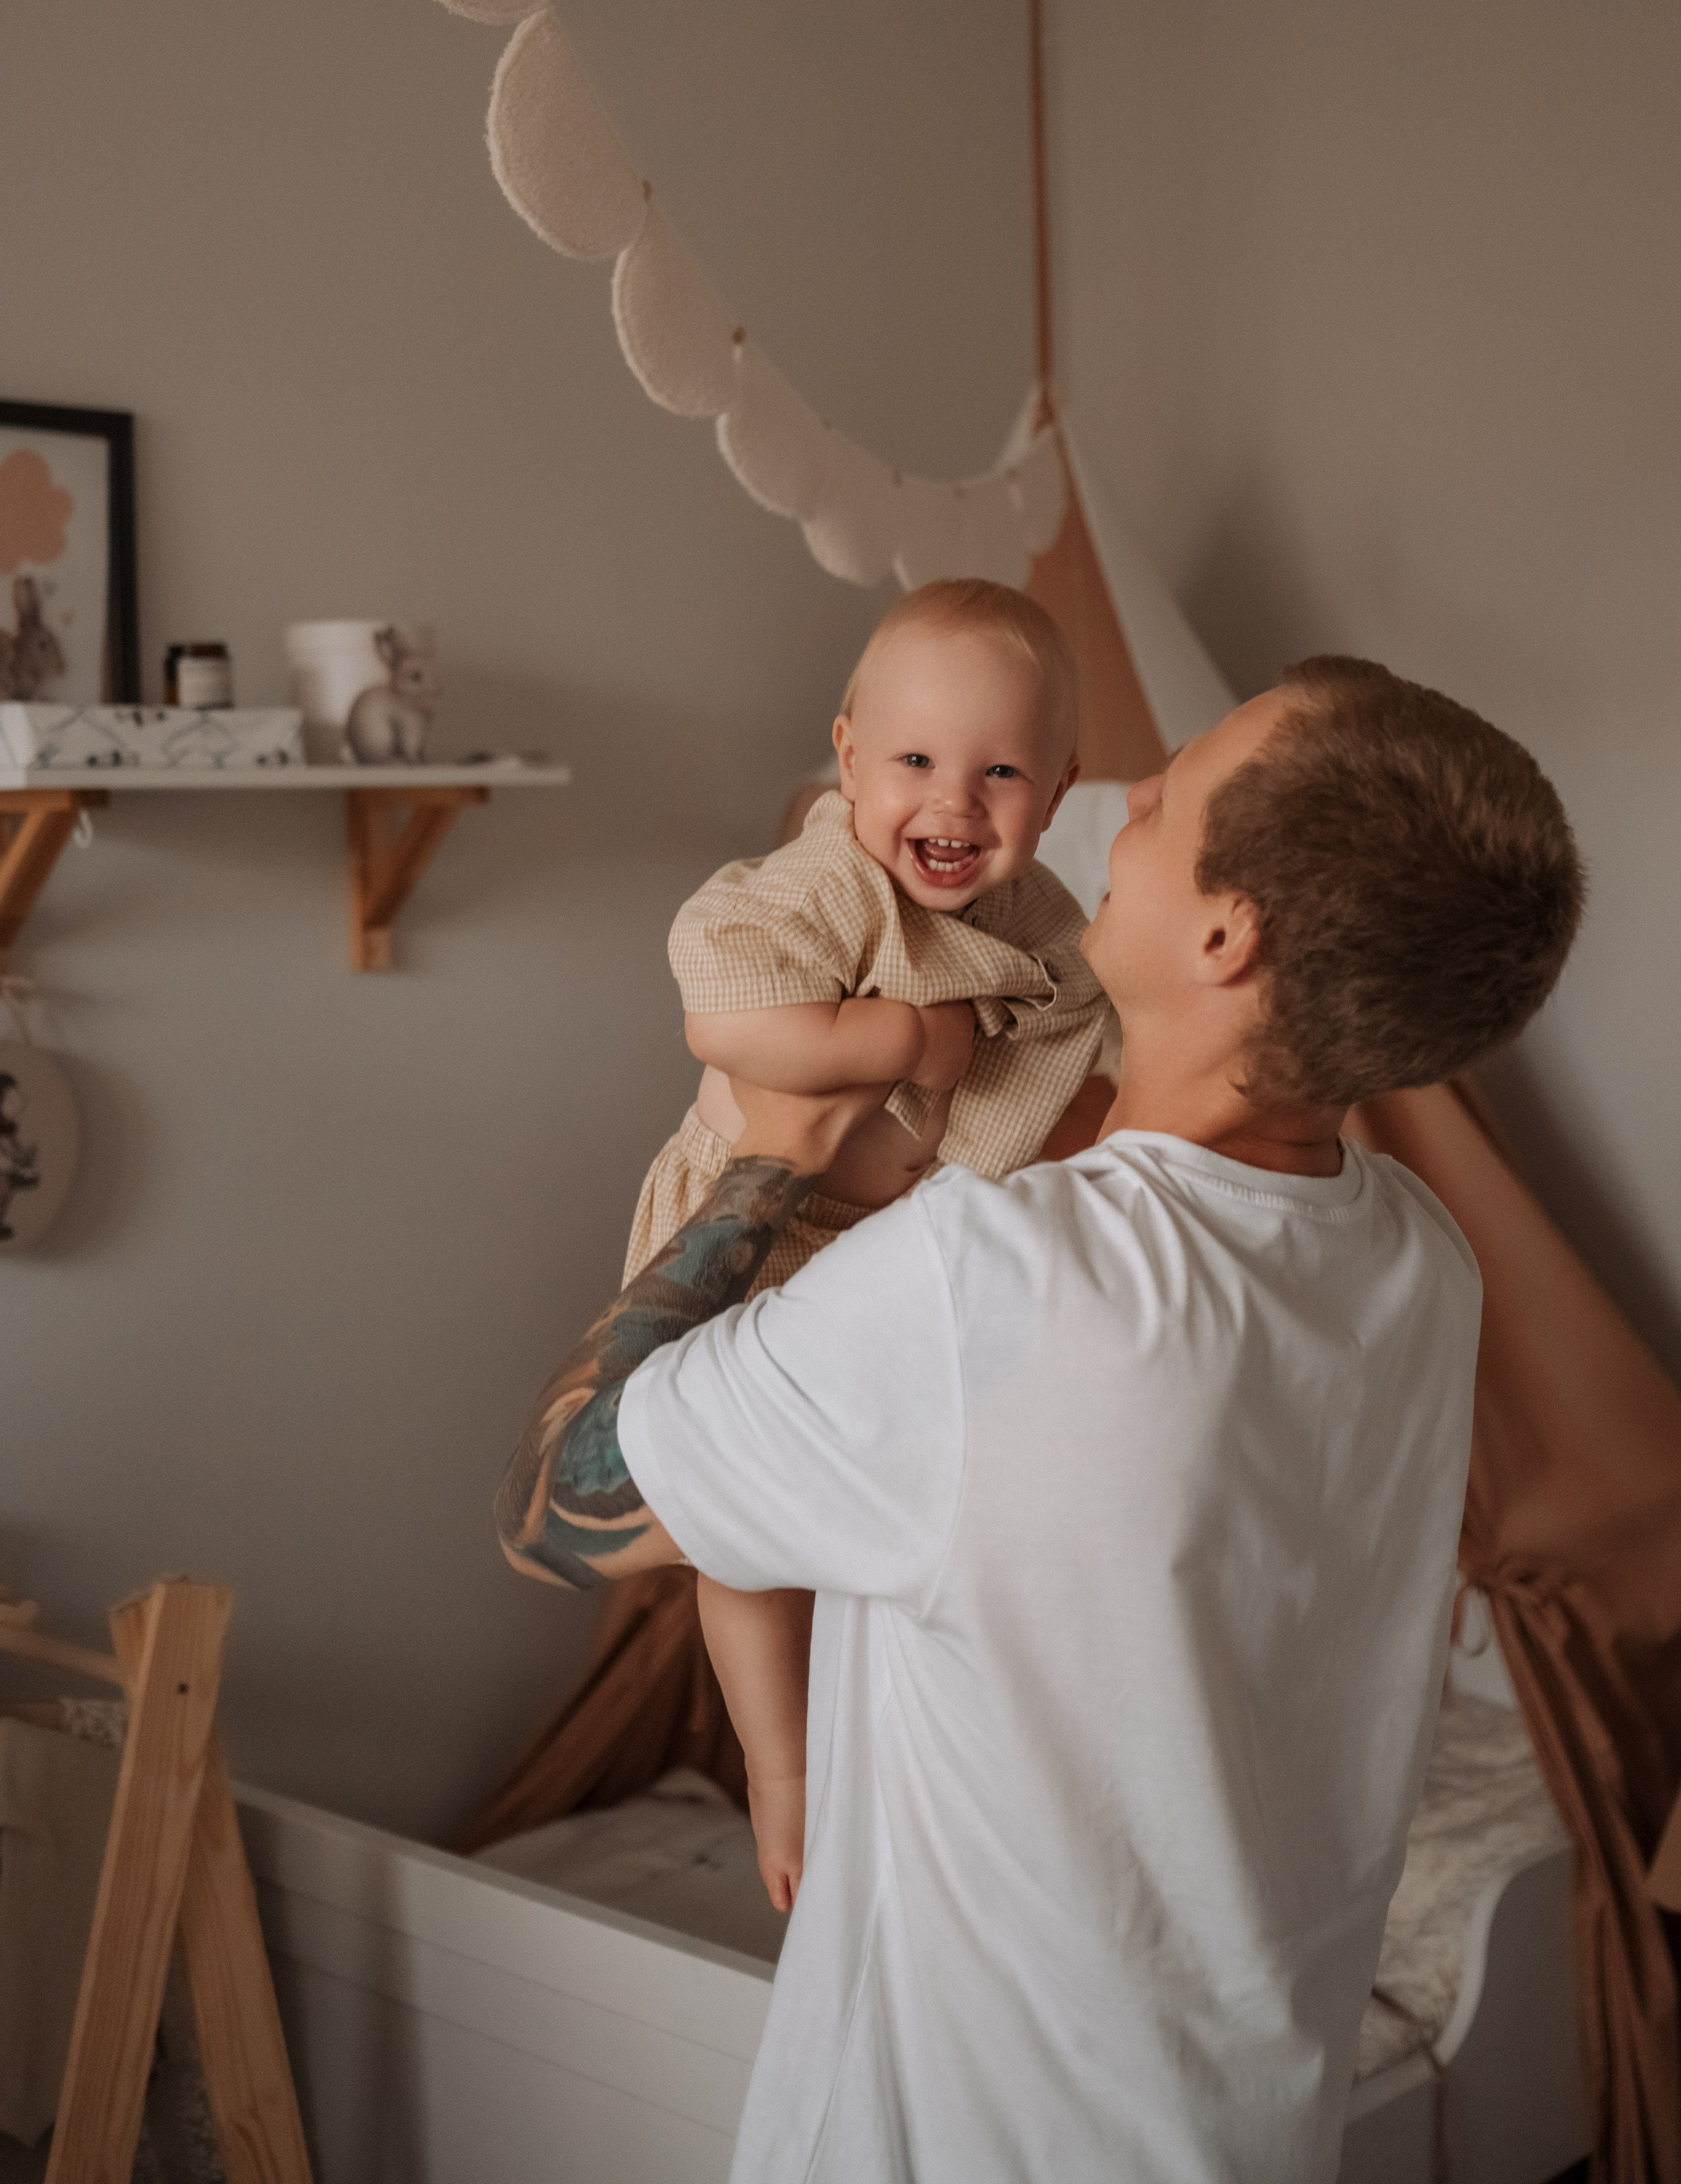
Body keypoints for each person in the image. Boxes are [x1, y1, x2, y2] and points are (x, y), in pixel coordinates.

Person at [496, 654, 1584, 2183]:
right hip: (1239, 2123)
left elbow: (560, 1505)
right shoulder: (1411, 1257)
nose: (1121, 800)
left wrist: (770, 1151)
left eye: (1172, 789)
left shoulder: (1000, 1280)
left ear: (1226, 931)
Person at [623, 580, 1108, 1905]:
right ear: (846, 758)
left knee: (888, 1521)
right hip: (755, 1230)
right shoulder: (831, 880)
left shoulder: (1040, 925)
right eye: (913, 763)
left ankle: (917, 1765)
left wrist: (978, 1163)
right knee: (744, 1545)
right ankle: (780, 1778)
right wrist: (902, 1037)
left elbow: (1071, 1040)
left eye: (999, 773)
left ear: (1055, 792)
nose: (952, 806)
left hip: (889, 1246)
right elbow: (721, 1014)